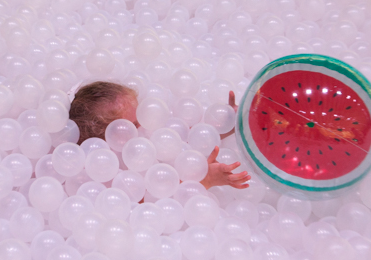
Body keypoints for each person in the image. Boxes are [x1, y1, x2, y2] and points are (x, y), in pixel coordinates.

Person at [69, 81, 251, 190]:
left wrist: (230, 122)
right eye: (133, 125)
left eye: (141, 112)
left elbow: (193, 135)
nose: (144, 124)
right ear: (106, 142)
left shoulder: (149, 129)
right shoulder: (116, 176)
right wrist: (205, 179)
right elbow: (155, 198)